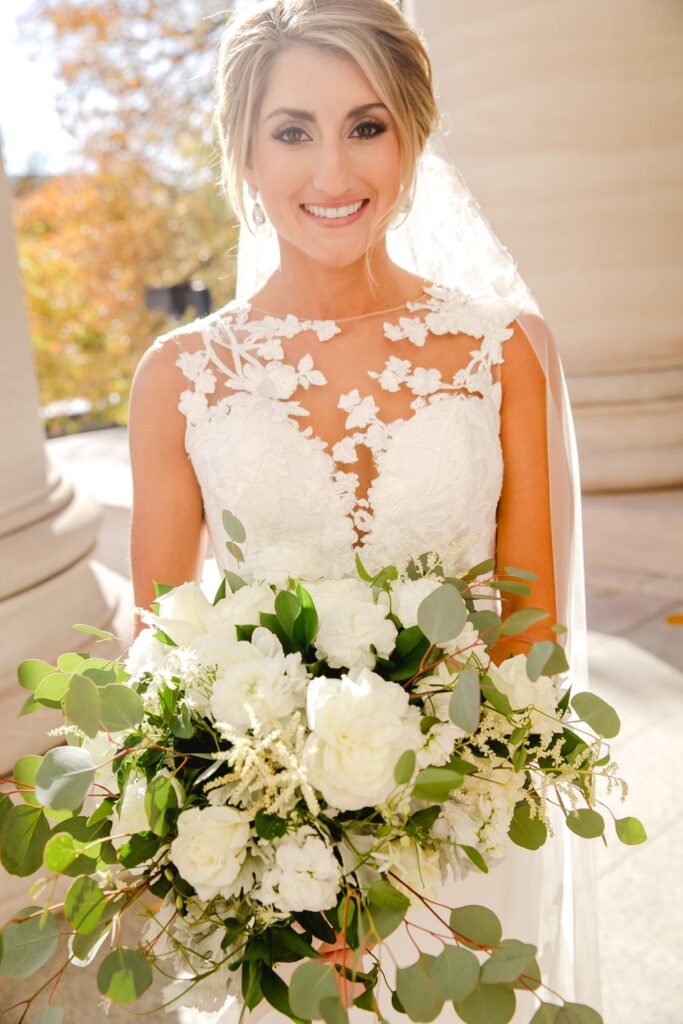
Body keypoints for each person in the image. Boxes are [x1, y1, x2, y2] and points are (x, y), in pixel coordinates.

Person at [128, 1, 598, 1020]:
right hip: (271, 870)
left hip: (463, 832)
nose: (333, 175)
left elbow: (528, 630)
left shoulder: (503, 350)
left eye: (366, 126)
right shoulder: (178, 375)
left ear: (414, 136)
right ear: (245, 154)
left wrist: (414, 829)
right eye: (292, 131)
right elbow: (161, 646)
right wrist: (276, 849)